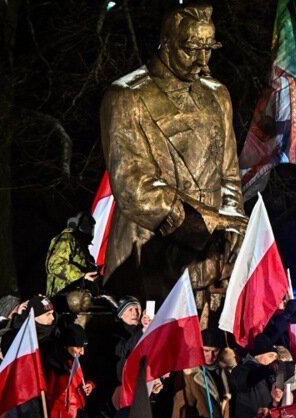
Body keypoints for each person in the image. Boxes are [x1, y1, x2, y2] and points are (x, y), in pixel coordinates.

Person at [100, 3, 248, 319]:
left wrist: (234, 221)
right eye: (192, 50)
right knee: (149, 358)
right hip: (148, 251)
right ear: (167, 42)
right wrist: (213, 221)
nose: (201, 61)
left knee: (195, 353)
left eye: (209, 50)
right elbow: (134, 186)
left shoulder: (218, 94)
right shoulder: (126, 95)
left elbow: (229, 174)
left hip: (203, 260)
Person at [45, 212, 98, 298]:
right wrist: (81, 276)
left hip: (76, 299)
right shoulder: (67, 238)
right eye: (89, 225)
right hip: (63, 299)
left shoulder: (81, 245)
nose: (91, 229)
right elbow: (55, 265)